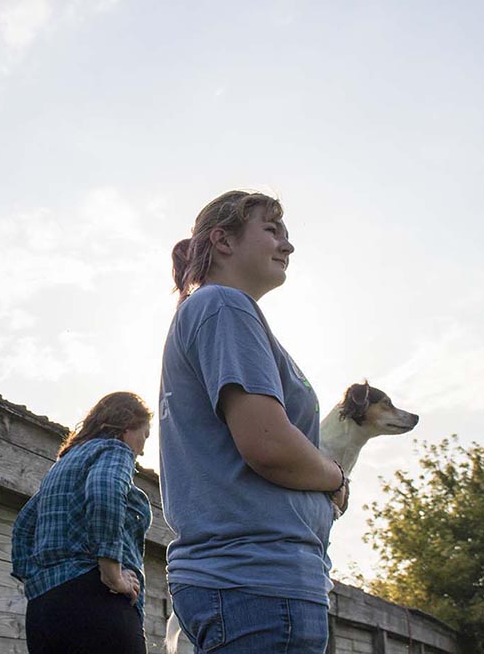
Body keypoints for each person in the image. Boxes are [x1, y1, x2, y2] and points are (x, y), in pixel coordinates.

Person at [158, 190, 349, 653]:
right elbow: (268, 443)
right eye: (272, 230)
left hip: (249, 585)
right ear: (223, 241)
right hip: (257, 585)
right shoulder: (225, 306)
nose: (288, 245)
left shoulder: (215, 310)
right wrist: (335, 480)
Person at [12, 391, 153, 654]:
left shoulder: (62, 466)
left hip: (44, 612)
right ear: (126, 427)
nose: (142, 449)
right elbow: (105, 490)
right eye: (144, 435)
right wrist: (113, 575)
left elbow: (23, 526)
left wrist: (37, 580)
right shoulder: (114, 449)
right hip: (98, 600)